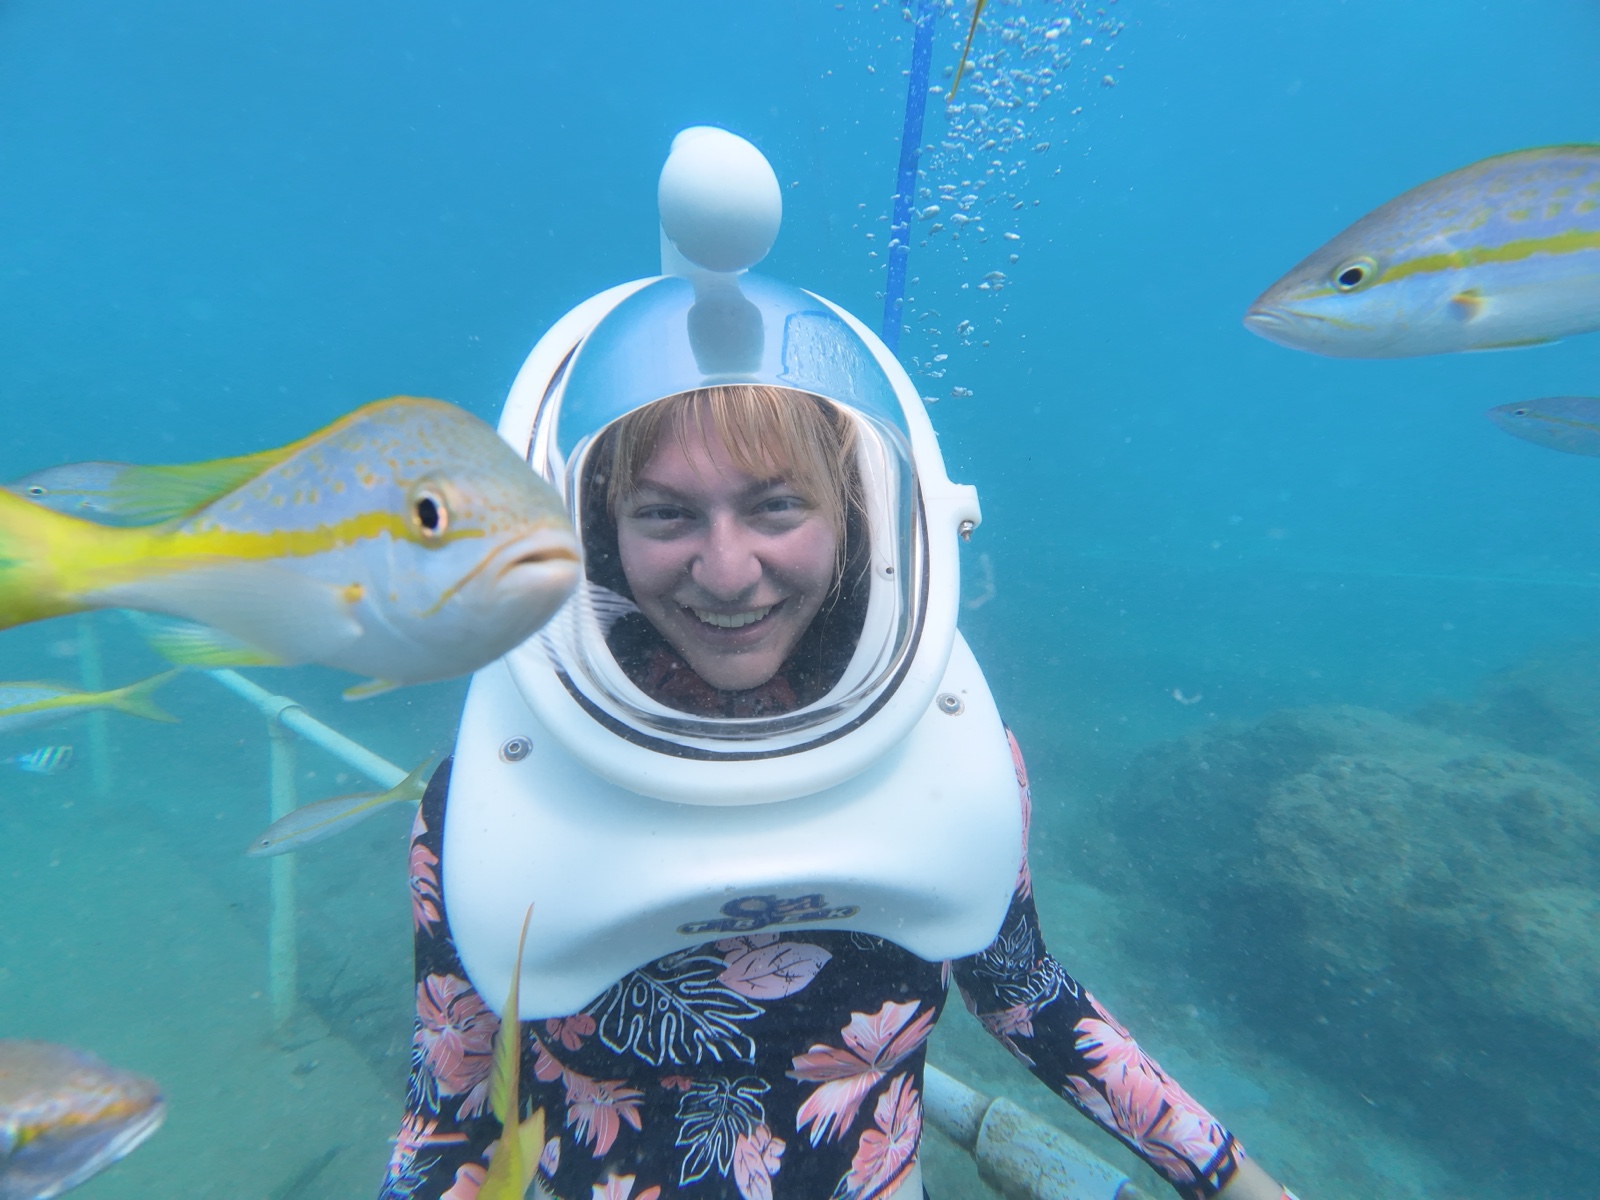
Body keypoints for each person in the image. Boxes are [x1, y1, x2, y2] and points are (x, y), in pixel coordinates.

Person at [378, 129, 1299, 1200]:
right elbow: (450, 1112)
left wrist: (1232, 1181)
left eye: (777, 506)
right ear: (597, 532)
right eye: (665, 514)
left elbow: (1027, 996)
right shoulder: (487, 797)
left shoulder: (953, 753)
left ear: (858, 520)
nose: (728, 572)